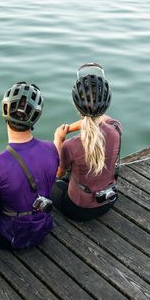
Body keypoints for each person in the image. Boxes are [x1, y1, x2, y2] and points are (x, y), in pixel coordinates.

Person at [0, 82, 60, 249]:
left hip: (11, 236)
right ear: (36, 118)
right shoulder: (51, 149)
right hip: (42, 229)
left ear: (5, 112)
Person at [51, 63, 123, 221]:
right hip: (108, 202)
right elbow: (100, 121)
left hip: (78, 209)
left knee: (52, 184)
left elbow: (57, 173)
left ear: (76, 105)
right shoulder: (116, 130)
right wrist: (71, 128)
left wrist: (59, 138)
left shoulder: (70, 146)